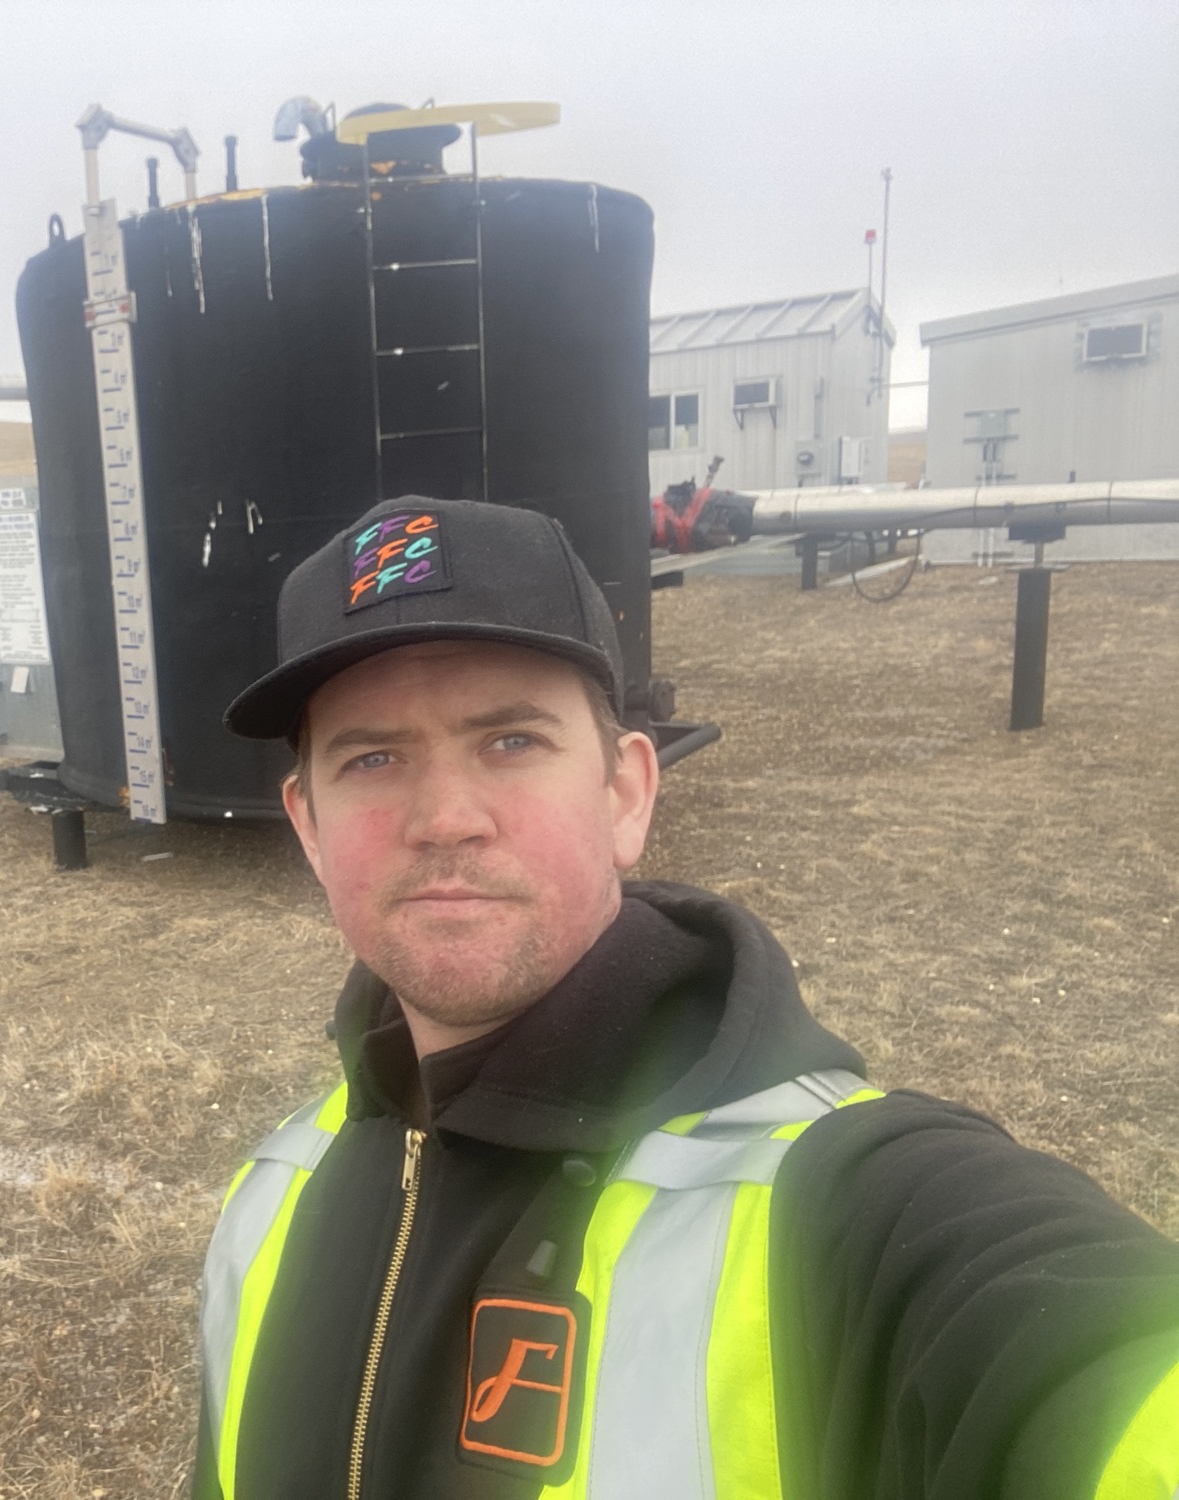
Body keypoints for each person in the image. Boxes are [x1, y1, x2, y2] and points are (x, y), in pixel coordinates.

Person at [191, 497, 1179, 1500]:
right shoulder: (269, 1197)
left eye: (511, 742)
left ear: (625, 794)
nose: (444, 818)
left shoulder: (850, 1212)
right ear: (308, 826)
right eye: (371, 759)